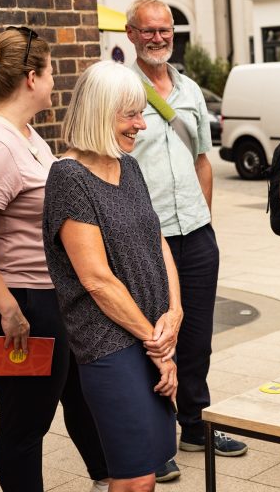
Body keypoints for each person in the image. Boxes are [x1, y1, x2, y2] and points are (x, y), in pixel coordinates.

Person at [124, 0, 247, 481]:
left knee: (197, 336)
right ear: (130, 35)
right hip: (146, 238)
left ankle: (195, 424)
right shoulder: (121, 90)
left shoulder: (191, 90)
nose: (158, 38)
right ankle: (156, 440)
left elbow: (202, 160)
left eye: (166, 30)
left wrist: (207, 220)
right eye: (149, 30)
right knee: (154, 338)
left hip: (194, 233)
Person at [42, 60, 181, 491]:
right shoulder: (68, 177)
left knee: (153, 466)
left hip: (151, 334)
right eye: (131, 114)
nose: (141, 124)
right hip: (111, 343)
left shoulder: (128, 166)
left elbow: (158, 242)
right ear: (101, 112)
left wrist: (174, 313)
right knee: (133, 475)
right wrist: (155, 343)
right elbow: (96, 280)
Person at [0, 27, 109, 492]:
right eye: (52, 70)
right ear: (32, 77)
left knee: (80, 397)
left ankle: (109, 478)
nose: (56, 80)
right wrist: (9, 312)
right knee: (25, 424)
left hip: (53, 298)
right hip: (22, 305)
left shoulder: (26, 134)